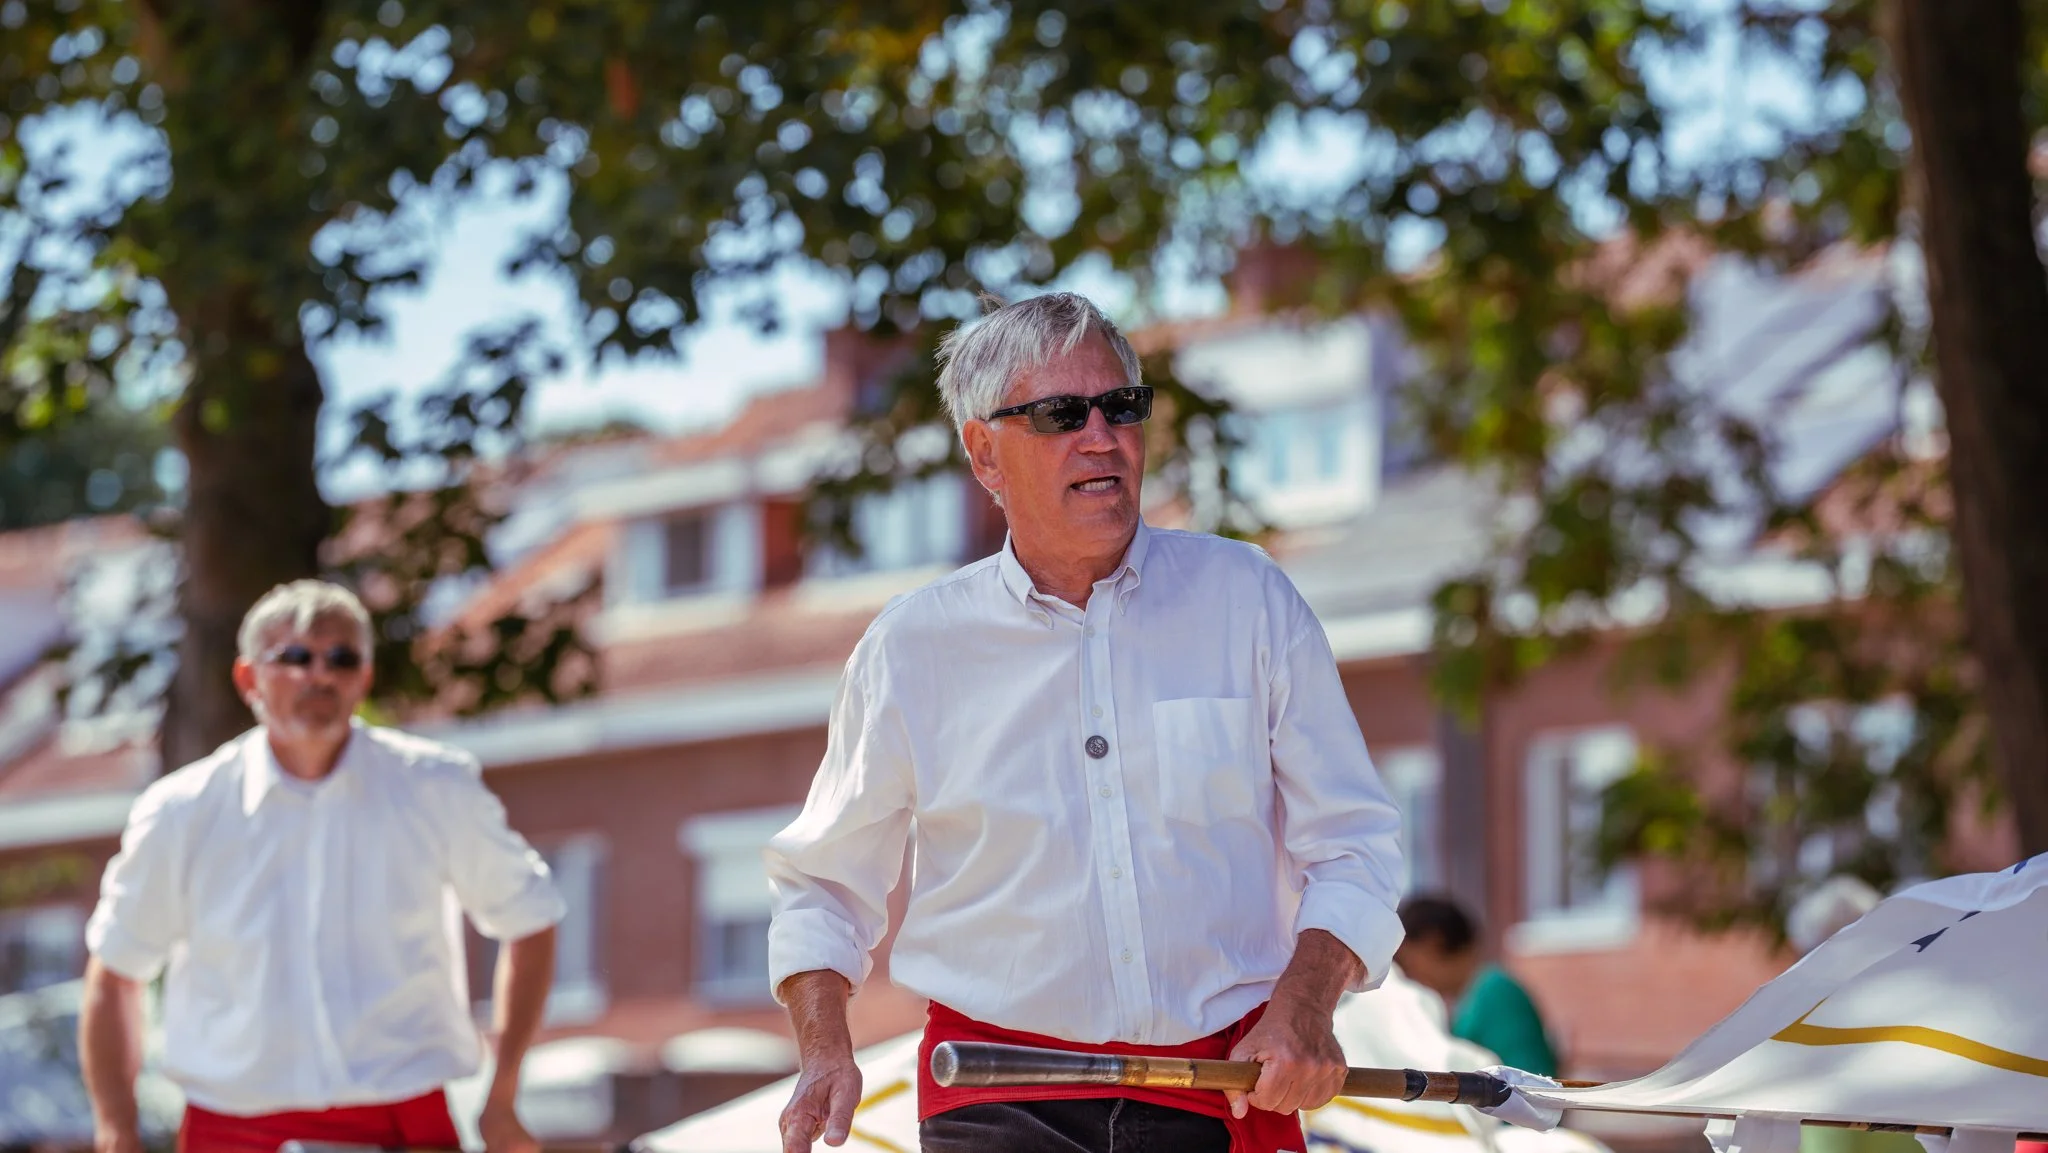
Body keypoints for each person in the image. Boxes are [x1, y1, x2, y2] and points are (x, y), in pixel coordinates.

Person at [766, 292, 1407, 1153]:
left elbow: (1356, 846)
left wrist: (1305, 1005)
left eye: (1123, 407)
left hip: (1226, 1092)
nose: (1101, 435)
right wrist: (822, 1050)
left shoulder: (1249, 599)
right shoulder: (911, 648)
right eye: (1062, 413)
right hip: (994, 1094)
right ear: (984, 453)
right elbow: (823, 881)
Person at [79, 581, 565, 1153]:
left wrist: (503, 1095)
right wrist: (117, 1131)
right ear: (248, 678)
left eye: (341, 658)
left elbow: (531, 918)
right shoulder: (182, 811)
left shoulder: (437, 787)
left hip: (406, 1122)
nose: (320, 675)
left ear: (364, 677)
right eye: (294, 657)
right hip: (233, 1128)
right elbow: (115, 974)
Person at [1393, 895, 1559, 1077]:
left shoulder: (1496, 992)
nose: (1407, 975)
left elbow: (1529, 1078)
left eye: (1407, 962)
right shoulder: (1472, 996)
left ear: (1433, 943)